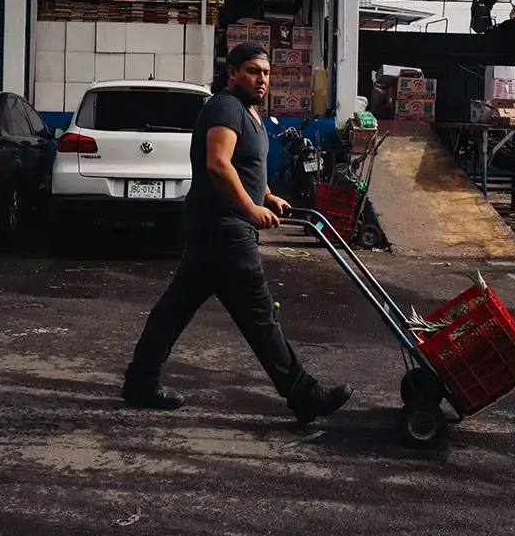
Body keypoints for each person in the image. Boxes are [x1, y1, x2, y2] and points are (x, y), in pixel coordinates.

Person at [122, 42, 352, 425]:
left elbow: (244, 167)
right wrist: (250, 209)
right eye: (252, 71)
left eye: (265, 73)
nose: (261, 79)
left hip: (215, 226)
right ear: (232, 73)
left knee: (173, 310)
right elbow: (218, 164)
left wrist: (267, 195)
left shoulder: (248, 112)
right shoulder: (226, 107)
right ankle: (303, 395)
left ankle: (140, 382)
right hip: (224, 227)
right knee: (259, 316)